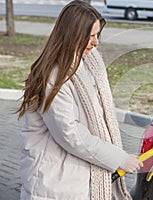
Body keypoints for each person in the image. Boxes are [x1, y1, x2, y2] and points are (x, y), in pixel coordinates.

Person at [16, 1, 142, 199]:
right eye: (90, 36)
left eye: (97, 35)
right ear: (73, 35)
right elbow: (70, 134)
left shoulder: (89, 67)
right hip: (54, 186)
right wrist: (120, 158)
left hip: (74, 182)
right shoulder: (54, 76)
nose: (96, 42)